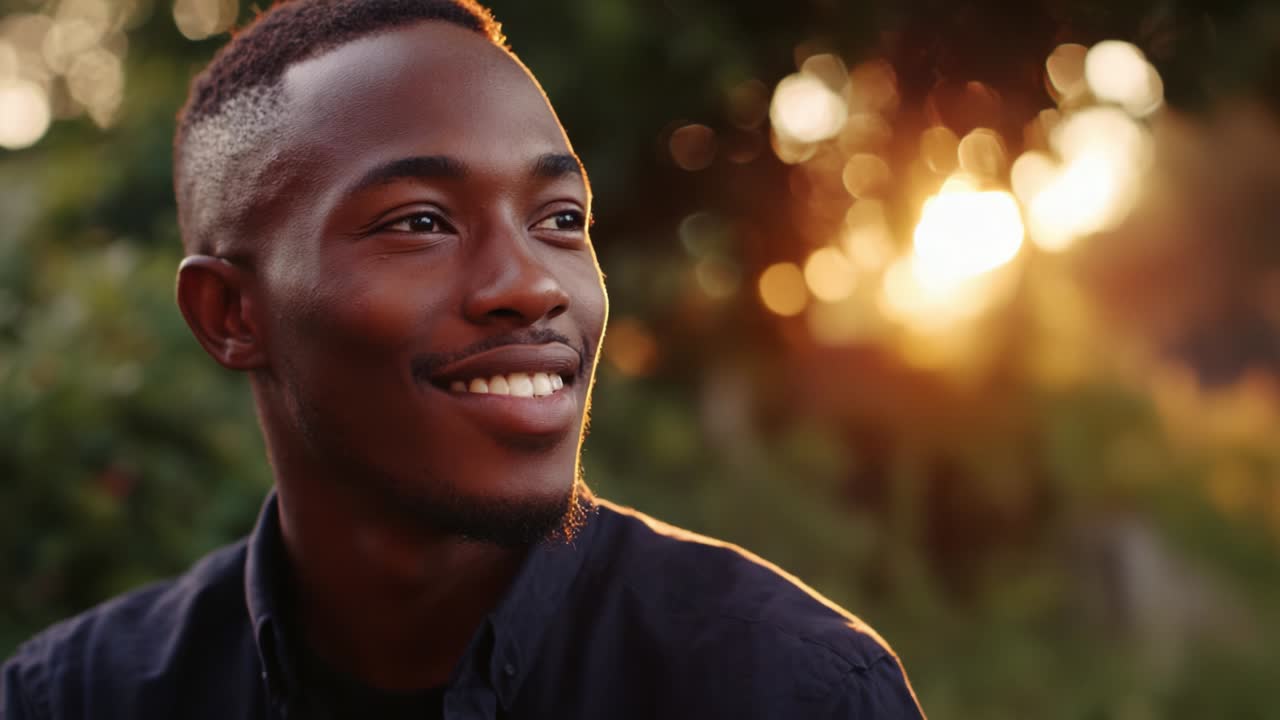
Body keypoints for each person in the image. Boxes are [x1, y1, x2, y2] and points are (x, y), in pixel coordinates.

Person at [0, 1, 925, 717]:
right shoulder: (74, 702)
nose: (532, 284)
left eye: (559, 219)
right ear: (232, 314)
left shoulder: (791, 694)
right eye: (420, 223)